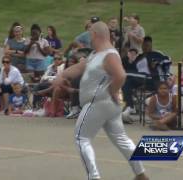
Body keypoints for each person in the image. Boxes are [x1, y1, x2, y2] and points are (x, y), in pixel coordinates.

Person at [53, 21, 148, 180]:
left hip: (98, 103)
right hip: (108, 106)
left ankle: (94, 177)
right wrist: (61, 76)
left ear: (95, 34)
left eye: (90, 34)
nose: (89, 38)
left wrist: (111, 91)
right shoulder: (95, 55)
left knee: (81, 138)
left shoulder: (109, 54)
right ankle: (141, 174)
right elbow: (79, 68)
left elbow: (121, 75)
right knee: (121, 139)